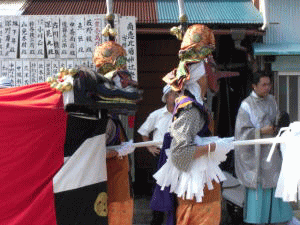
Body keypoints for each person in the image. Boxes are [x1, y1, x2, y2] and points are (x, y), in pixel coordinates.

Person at [152, 24, 223, 225]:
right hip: (195, 193)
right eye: (209, 72)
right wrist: (214, 147)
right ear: (200, 77)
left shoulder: (197, 106)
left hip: (200, 187)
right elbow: (180, 155)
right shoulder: (190, 109)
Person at [234, 72, 293, 225]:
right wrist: (260, 131)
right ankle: (258, 220)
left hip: (273, 152)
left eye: (269, 84)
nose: (267, 88)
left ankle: (278, 219)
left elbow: (277, 119)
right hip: (256, 155)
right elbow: (240, 133)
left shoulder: (272, 100)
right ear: (254, 86)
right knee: (260, 186)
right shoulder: (246, 105)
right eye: (264, 85)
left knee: (275, 183)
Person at [137, 84, 176, 225]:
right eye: (172, 93)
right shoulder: (157, 114)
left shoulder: (183, 114)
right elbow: (143, 132)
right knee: (158, 188)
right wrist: (150, 147)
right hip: (160, 155)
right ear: (166, 97)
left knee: (176, 187)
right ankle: (157, 220)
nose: (175, 96)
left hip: (177, 155)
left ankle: (175, 219)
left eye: (177, 93)